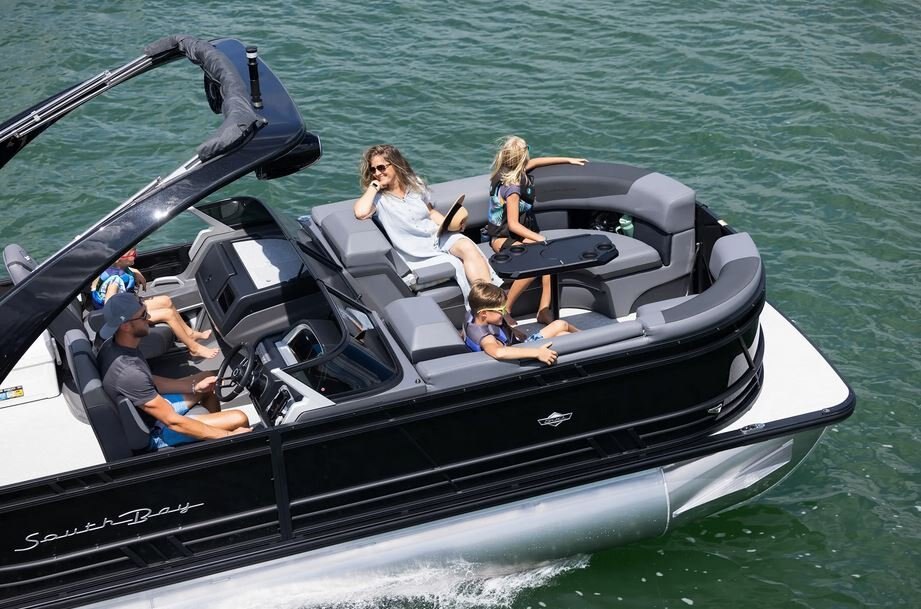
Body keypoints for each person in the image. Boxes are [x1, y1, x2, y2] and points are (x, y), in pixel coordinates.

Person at [98, 293, 251, 451]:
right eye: (143, 315)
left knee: (208, 378)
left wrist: (194, 387)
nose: (149, 317)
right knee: (238, 419)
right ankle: (228, 445)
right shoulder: (128, 372)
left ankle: (212, 444)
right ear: (125, 326)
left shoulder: (116, 346)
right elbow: (173, 421)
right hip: (156, 430)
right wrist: (227, 435)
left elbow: (149, 380)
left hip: (154, 409)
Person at [353, 144, 503, 303]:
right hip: (417, 251)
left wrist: (448, 224)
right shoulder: (378, 199)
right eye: (373, 169)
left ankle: (488, 298)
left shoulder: (414, 184)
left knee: (467, 246)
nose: (377, 173)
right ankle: (480, 304)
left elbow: (430, 212)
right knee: (456, 262)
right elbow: (360, 212)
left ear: (395, 164)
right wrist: (373, 186)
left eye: (381, 167)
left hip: (437, 236)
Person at [488, 135, 587, 324]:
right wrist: (539, 238)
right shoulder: (512, 188)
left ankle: (543, 310)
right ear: (522, 156)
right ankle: (506, 309)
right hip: (502, 238)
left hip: (516, 236)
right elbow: (513, 224)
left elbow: (535, 162)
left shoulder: (508, 171)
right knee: (535, 263)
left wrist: (567, 159)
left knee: (549, 257)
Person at [92, 248, 218, 359]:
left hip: (130, 305)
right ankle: (194, 348)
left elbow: (119, 269)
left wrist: (134, 271)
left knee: (166, 300)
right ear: (118, 259)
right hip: (125, 317)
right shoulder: (114, 282)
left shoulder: (116, 267)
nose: (135, 255)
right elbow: (110, 305)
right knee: (167, 314)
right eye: (132, 254)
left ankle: (190, 334)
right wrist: (132, 315)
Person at [464, 281, 578, 365]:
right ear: (483, 313)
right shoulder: (486, 338)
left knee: (561, 324)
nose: (504, 313)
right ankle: (587, 344)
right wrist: (538, 353)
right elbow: (498, 352)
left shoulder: (474, 315)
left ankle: (588, 336)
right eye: (501, 310)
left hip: (519, 344)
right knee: (563, 334)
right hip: (525, 351)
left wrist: (512, 331)